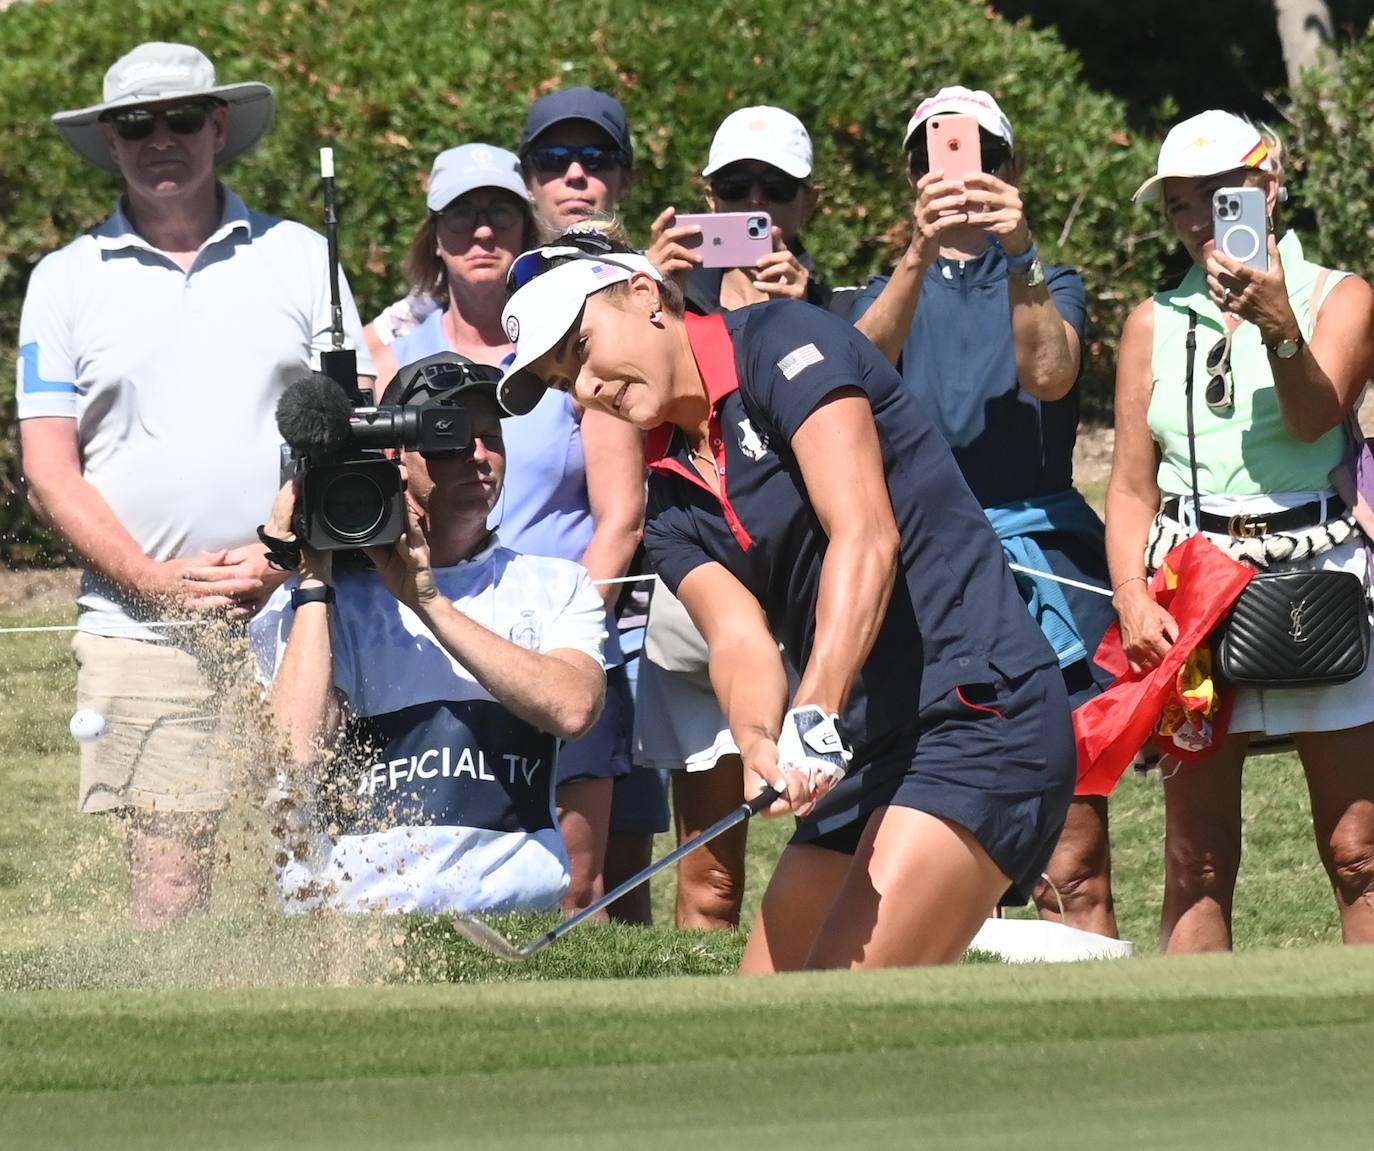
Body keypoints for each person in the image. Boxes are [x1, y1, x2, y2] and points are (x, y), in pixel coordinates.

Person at [494, 238, 1076, 971]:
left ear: (646, 293)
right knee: (762, 1007)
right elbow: (737, 638)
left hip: (981, 714)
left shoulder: (781, 341)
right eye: (560, 378)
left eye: (579, 348)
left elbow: (865, 535)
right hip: (871, 745)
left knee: (837, 1005)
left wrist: (815, 710)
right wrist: (764, 739)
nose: (583, 386)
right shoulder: (667, 495)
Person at [15, 42, 374, 931]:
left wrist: (281, 552)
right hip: (141, 626)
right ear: (109, 138)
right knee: (170, 890)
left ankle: (341, 1057)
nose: (159, 138)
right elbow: (48, 466)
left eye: (180, 118)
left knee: (320, 865)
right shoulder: (63, 281)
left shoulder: (300, 256)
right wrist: (153, 579)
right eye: (136, 123)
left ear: (218, 125)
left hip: (303, 605)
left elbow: (356, 426)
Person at [848, 86, 1119, 937]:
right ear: (912, 177)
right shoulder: (881, 288)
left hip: (1045, 570)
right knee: (944, 851)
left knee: (1075, 860)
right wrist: (918, 254)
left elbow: (1049, 373)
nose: (963, 175)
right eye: (936, 158)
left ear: (1011, 168)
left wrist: (1020, 250)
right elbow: (857, 372)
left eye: (981, 158)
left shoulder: (1050, 279)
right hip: (931, 578)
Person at [1108, 110, 1374, 952]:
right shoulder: (1153, 321)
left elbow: (1313, 422)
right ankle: (1192, 1059)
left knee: (1358, 851)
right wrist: (1128, 598)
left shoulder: (1342, 295)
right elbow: (1127, 486)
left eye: (1219, 196)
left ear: (1270, 187)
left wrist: (1280, 327)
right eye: (1179, 204)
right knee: (1197, 858)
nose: (1196, 222)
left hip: (1319, 577)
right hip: (1195, 592)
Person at [250, 356, 606, 913]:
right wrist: (314, 577)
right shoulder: (313, 605)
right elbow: (293, 758)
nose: (478, 456)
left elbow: (573, 708)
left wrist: (428, 604)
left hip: (507, 921)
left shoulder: (555, 584)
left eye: (491, 438)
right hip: (352, 927)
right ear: (395, 458)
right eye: (449, 441)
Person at [637, 106, 843, 929]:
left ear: (809, 202)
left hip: (815, 600)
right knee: (710, 879)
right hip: (704, 583)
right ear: (704, 195)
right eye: (734, 187)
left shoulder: (839, 307)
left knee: (835, 849)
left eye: (776, 189)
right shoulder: (660, 301)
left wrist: (806, 316)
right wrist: (646, 297)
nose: (753, 203)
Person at [361, 86, 635, 356]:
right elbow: (359, 352)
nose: (575, 174)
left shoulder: (647, 280)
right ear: (528, 183)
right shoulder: (424, 309)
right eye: (552, 159)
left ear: (626, 178)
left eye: (596, 159)